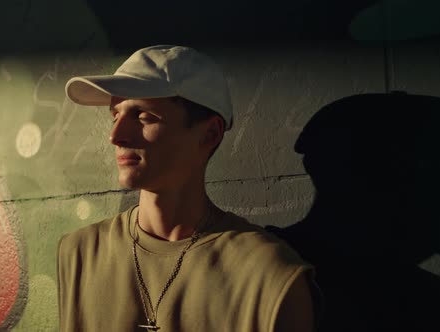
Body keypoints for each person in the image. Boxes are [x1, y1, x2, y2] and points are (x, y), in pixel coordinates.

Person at [58, 45, 318, 332]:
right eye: (115, 115)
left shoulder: (269, 276)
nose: (116, 136)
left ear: (209, 134)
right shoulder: (79, 254)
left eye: (143, 116)